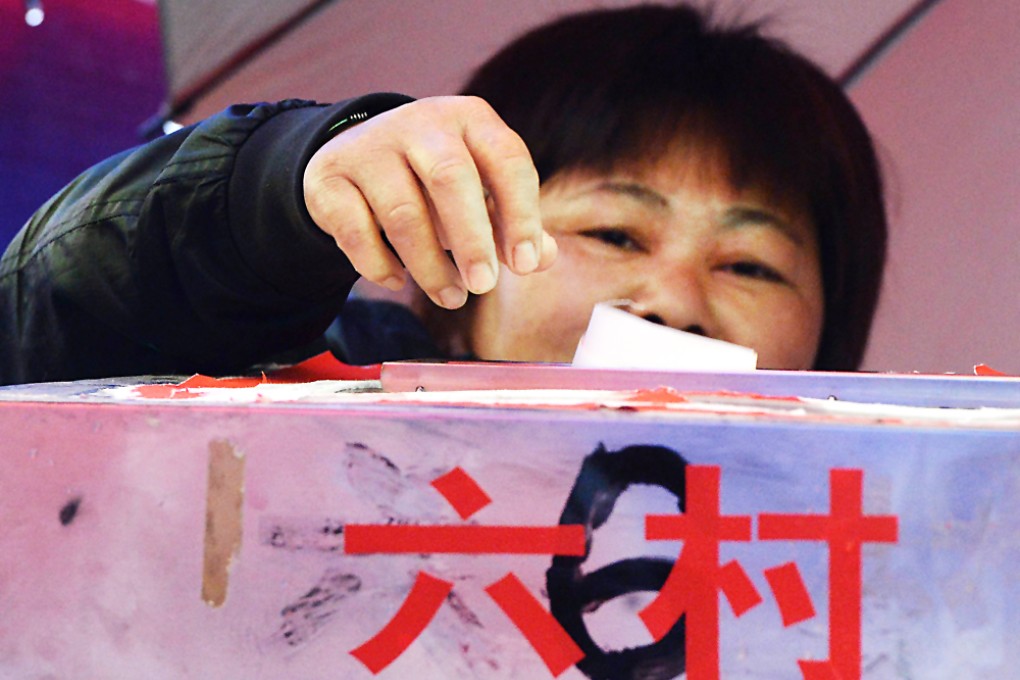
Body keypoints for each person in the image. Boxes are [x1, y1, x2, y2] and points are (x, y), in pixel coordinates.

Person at [0, 4, 886, 386]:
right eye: (616, 233)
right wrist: (269, 195)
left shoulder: (906, 559)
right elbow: (55, 340)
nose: (675, 303)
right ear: (461, 263)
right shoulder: (324, 392)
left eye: (750, 264)